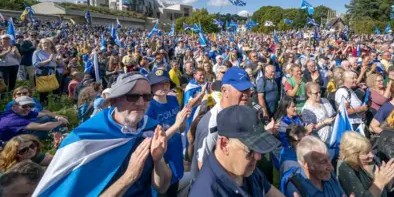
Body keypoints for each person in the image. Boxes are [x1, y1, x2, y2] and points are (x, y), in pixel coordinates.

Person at [32, 72, 172, 196]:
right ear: (114, 100)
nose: (141, 103)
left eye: (147, 96)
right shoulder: (84, 139)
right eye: (132, 96)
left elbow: (162, 187)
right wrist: (128, 178)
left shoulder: (151, 129)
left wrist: (158, 159)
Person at [190, 105, 283, 197]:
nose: (258, 157)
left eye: (258, 148)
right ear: (224, 144)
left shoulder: (247, 169)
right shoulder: (206, 192)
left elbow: (270, 191)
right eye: (250, 150)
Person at [191, 67, 253, 180]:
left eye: (247, 89)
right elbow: (203, 165)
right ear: (224, 91)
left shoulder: (237, 112)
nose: (246, 94)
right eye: (241, 89)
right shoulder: (212, 123)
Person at [146, 69, 192, 197]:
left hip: (175, 156)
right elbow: (154, 143)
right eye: (159, 83)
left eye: (166, 82)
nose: (164, 86)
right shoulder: (149, 108)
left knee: (174, 190)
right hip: (162, 161)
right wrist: (177, 124)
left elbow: (181, 130)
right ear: (151, 87)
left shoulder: (173, 100)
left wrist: (183, 120)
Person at [337, 131, 394, 197]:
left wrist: (389, 178)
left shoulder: (372, 160)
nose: (372, 155)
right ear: (353, 155)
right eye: (366, 153)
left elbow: (389, 189)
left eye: (370, 150)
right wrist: (379, 182)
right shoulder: (345, 169)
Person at [0, 96, 68, 144]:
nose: (28, 108)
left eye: (31, 106)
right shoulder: (12, 119)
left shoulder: (20, 111)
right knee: (44, 129)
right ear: (14, 107)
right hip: (8, 144)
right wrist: (60, 122)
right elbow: (43, 126)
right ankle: (58, 135)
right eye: (24, 106)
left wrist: (58, 117)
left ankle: (58, 133)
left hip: (16, 134)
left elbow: (43, 114)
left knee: (46, 118)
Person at [32, 38, 59, 103]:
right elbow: (36, 64)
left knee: (56, 89)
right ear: (40, 44)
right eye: (44, 43)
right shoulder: (37, 52)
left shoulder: (54, 52)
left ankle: (56, 104)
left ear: (51, 44)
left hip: (54, 72)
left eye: (48, 42)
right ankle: (44, 106)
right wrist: (48, 60)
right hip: (42, 72)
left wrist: (59, 61)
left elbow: (58, 63)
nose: (46, 44)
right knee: (44, 91)